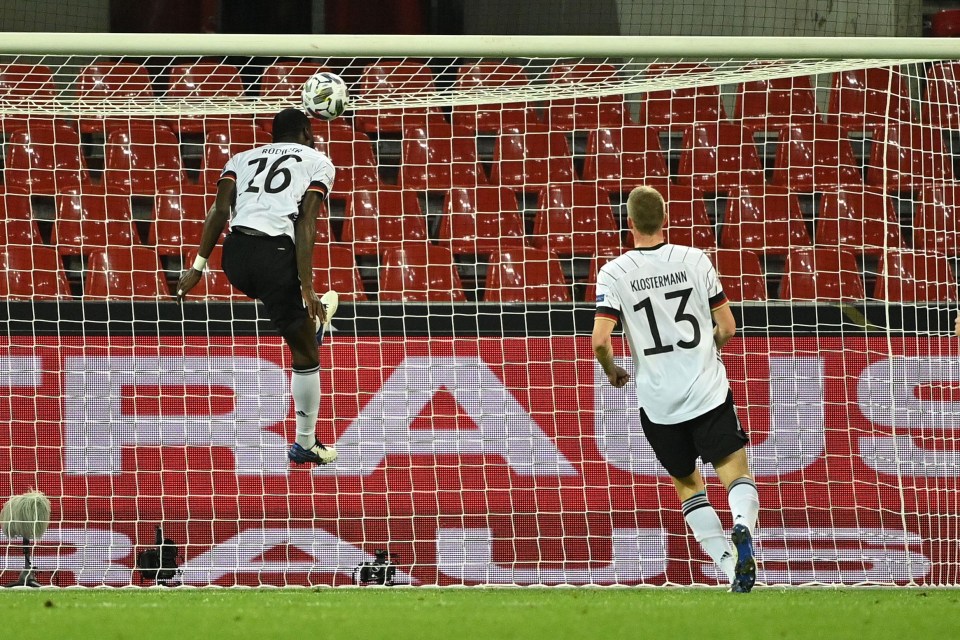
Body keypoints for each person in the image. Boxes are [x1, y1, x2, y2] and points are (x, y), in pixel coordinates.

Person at [592, 186, 760, 592]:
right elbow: (728, 327)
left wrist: (613, 370)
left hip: (659, 403)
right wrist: (707, 350)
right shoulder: (695, 259)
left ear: (629, 224)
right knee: (736, 473)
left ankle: (726, 565)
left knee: (687, 485)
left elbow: (599, 340)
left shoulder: (614, 272)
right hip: (707, 392)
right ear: (666, 218)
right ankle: (742, 526)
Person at [175, 108, 339, 467]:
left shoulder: (241, 158)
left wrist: (197, 268)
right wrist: (308, 286)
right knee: (308, 355)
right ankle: (305, 443)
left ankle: (303, 323)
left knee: (290, 316)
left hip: (234, 258)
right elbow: (307, 220)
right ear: (307, 131)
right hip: (273, 256)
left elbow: (220, 210)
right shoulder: (318, 161)